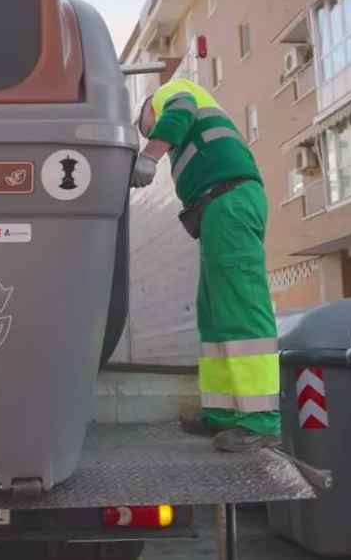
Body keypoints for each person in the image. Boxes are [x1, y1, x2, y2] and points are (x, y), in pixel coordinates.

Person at [130, 77, 280, 452]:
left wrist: (149, 155)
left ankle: (260, 420)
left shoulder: (172, 93)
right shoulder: (192, 122)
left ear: (149, 108)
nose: (151, 133)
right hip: (219, 205)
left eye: (145, 126)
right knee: (214, 312)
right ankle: (222, 412)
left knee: (241, 307)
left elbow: (180, 109)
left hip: (229, 201)